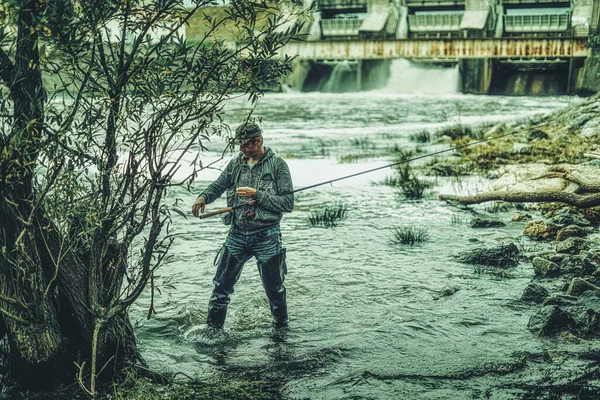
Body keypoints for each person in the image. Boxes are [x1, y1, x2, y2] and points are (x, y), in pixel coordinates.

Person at [192, 121, 294, 329]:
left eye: (245, 145)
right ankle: (212, 332)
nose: (241, 149)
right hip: (237, 234)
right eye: (239, 144)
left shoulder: (278, 166)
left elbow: (288, 203)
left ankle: (281, 332)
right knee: (221, 288)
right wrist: (203, 197)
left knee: (274, 291)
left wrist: (258, 195)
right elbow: (219, 185)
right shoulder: (235, 164)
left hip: (267, 236)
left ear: (258, 142)